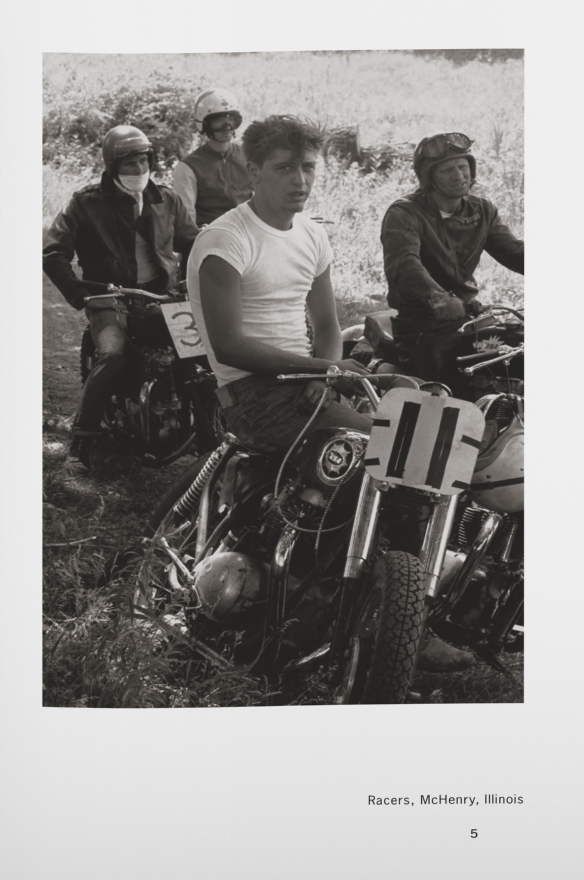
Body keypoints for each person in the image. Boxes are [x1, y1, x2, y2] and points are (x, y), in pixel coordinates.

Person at [188, 114, 474, 673]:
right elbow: (229, 346)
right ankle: (361, 611)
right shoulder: (225, 239)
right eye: (284, 168)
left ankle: (392, 605)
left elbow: (324, 324)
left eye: (308, 167)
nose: (300, 179)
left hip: (306, 387)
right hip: (252, 394)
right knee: (392, 463)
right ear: (253, 171)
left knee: (421, 445)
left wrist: (332, 369)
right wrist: (321, 370)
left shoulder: (312, 233)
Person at [43, 125, 199, 474]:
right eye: (130, 164)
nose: (139, 170)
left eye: (144, 161)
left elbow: (193, 242)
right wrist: (79, 292)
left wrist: (193, 280)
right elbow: (53, 252)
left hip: (162, 297)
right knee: (112, 354)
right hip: (110, 297)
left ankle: (209, 433)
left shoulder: (167, 199)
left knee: (199, 352)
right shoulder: (86, 203)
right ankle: (80, 443)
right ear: (113, 167)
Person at [380, 132, 524, 393]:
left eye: (462, 166)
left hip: (470, 317)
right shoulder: (404, 214)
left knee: (516, 349)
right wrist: (437, 297)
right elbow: (404, 263)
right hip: (424, 322)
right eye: (447, 170)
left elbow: (514, 253)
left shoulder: (482, 211)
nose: (458, 175)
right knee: (444, 391)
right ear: (428, 177)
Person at [173, 88, 253, 228]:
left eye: (232, 120)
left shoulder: (249, 156)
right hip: (212, 237)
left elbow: (266, 197)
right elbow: (186, 219)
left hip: (249, 232)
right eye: (218, 120)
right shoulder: (188, 168)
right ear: (205, 124)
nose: (227, 127)